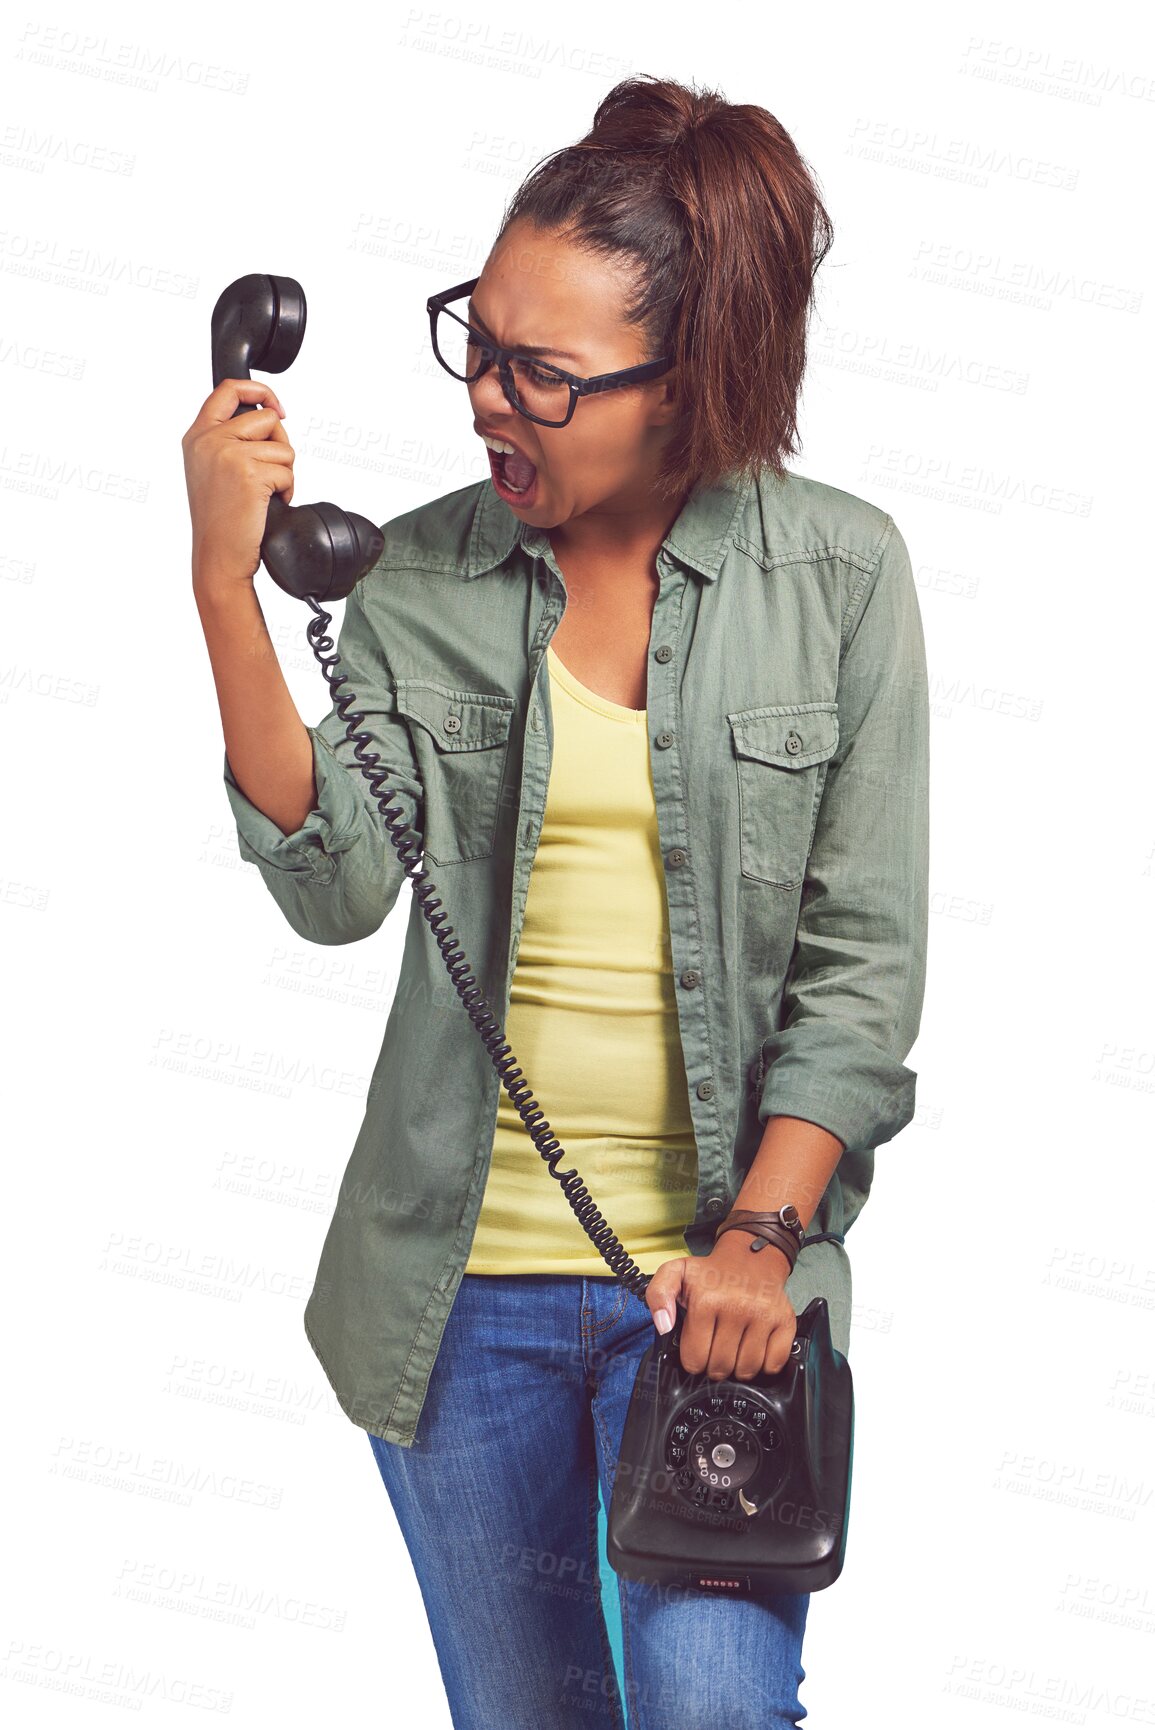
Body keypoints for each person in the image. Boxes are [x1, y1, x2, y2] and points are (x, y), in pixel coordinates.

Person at [182, 73, 929, 1730]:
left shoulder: (845, 581)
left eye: (544, 373)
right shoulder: (416, 577)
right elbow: (335, 884)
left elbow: (863, 976)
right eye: (478, 341)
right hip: (456, 1309)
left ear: (693, 383)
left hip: (726, 1306)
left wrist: (759, 1237)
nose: (486, 403)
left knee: (713, 1707)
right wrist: (227, 592)